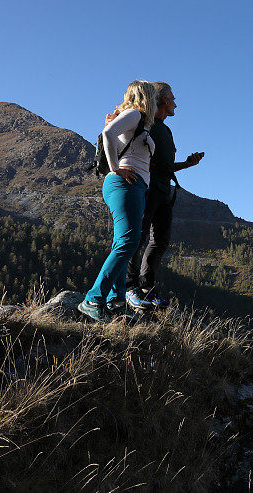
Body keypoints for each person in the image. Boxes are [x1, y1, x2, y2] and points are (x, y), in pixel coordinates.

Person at [106, 82, 204, 310]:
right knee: (137, 239)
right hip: (145, 188)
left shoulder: (165, 130)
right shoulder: (145, 122)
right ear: (160, 100)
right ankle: (130, 288)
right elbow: (125, 144)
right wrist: (115, 167)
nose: (176, 103)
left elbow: (162, 165)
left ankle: (146, 287)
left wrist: (187, 165)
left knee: (159, 241)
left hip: (162, 189)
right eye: (172, 98)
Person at [78, 80, 158, 322]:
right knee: (128, 242)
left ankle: (116, 300)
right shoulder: (134, 114)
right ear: (146, 96)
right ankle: (93, 299)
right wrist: (116, 168)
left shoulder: (138, 121)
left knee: (125, 244)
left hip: (133, 187)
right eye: (153, 95)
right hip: (125, 184)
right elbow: (107, 134)